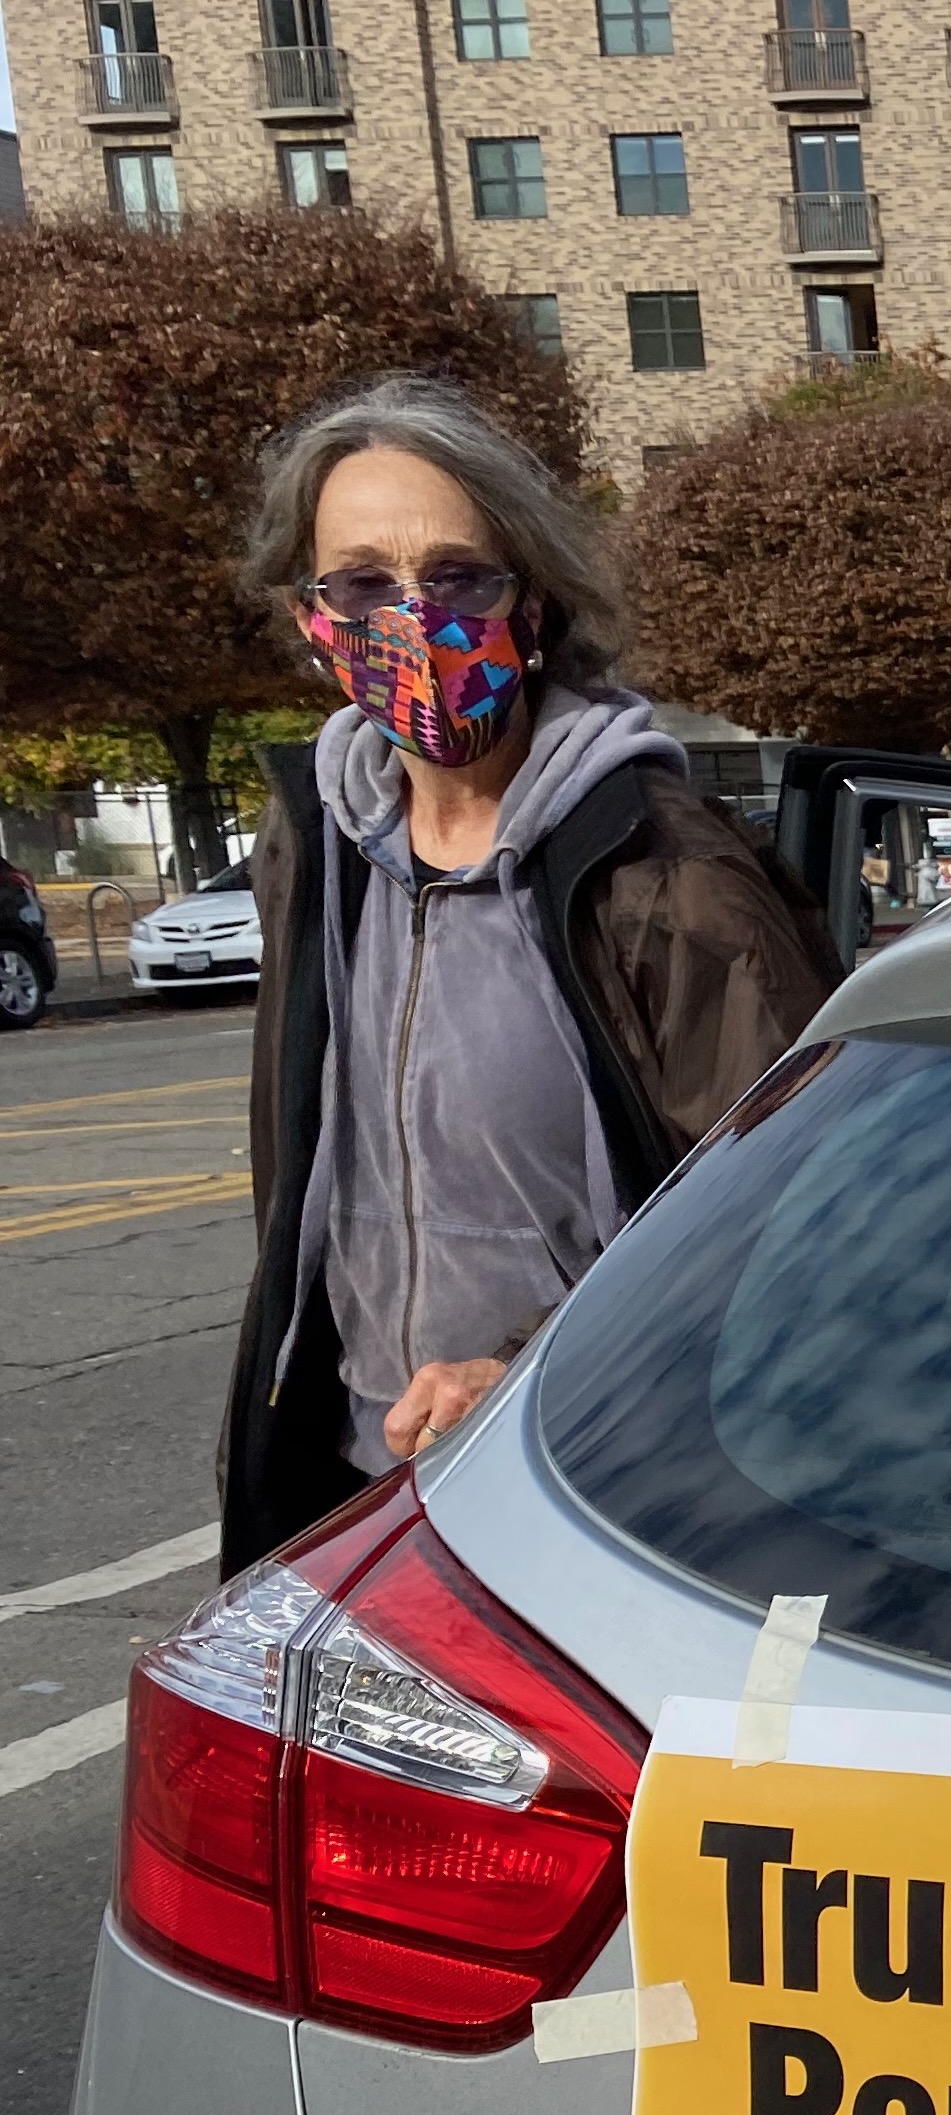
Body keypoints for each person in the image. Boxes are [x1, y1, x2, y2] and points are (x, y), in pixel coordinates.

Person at [218, 377, 839, 1567]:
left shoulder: (664, 871)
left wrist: (527, 1367)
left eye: (458, 577)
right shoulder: (315, 848)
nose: (414, 618)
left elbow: (786, 1216)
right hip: (364, 1489)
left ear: (534, 602)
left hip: (596, 1485)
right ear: (312, 619)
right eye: (363, 584)